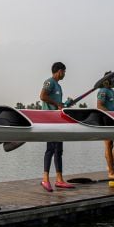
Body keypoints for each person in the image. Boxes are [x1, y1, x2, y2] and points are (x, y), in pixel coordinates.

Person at [39, 62, 74, 191]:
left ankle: (59, 180)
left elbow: (58, 105)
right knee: (50, 149)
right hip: (49, 121)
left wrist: (65, 104)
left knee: (59, 150)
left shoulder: (58, 86)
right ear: (59, 71)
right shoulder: (50, 82)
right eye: (64, 71)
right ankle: (45, 179)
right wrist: (56, 103)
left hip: (58, 121)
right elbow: (42, 96)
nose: (64, 74)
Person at [96, 72, 114, 179]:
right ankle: (111, 172)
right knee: (108, 144)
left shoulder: (111, 91)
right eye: (113, 79)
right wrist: (111, 114)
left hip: (113, 119)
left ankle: (110, 167)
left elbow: (112, 106)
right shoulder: (103, 91)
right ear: (108, 80)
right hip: (105, 119)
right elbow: (99, 106)